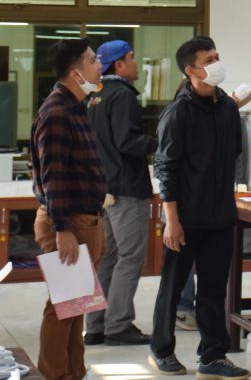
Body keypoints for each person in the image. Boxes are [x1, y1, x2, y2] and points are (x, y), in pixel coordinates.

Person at [149, 37, 251, 378]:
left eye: (217, 56)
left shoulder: (228, 108)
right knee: (173, 287)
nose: (217, 63)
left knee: (213, 290)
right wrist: (172, 220)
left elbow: (234, 154)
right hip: (185, 217)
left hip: (221, 215)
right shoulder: (178, 113)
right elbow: (166, 168)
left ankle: (213, 356)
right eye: (209, 60)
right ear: (191, 70)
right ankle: (162, 350)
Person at [29, 38, 106, 380]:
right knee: (64, 306)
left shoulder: (75, 107)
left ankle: (74, 371)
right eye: (93, 60)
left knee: (77, 305)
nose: (99, 66)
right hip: (68, 221)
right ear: (76, 73)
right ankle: (54, 374)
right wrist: (63, 229)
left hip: (83, 219)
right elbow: (54, 177)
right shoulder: (57, 113)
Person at [83, 40, 158, 347]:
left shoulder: (95, 96)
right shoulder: (123, 95)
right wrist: (162, 144)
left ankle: (96, 325)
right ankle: (118, 325)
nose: (136, 63)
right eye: (132, 58)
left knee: (107, 257)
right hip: (127, 188)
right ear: (119, 64)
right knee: (130, 257)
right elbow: (128, 141)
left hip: (103, 188)